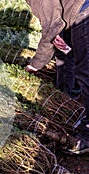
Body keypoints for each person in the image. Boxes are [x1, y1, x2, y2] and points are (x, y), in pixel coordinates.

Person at [25, 0, 89, 154]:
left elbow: (52, 26)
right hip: (80, 11)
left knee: (86, 74)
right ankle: (71, 98)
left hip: (84, 15)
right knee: (66, 53)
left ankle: (87, 136)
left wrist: (36, 63)